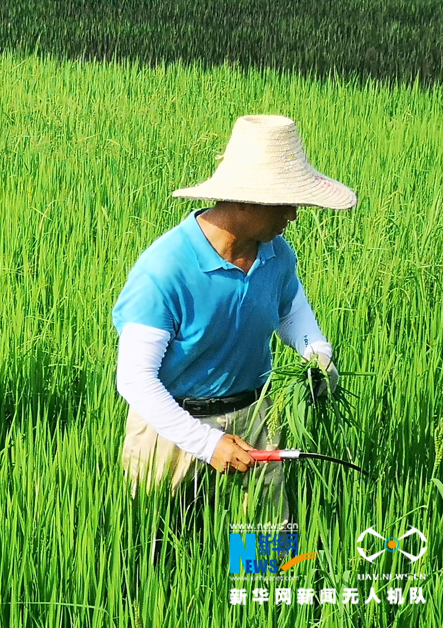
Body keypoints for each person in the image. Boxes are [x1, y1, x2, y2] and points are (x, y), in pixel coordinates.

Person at [112, 115, 355, 516]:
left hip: (254, 417)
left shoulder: (276, 253)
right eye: (285, 202)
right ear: (244, 198)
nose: (292, 215)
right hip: (170, 427)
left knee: (265, 548)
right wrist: (207, 444)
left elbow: (290, 310)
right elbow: (135, 379)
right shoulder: (165, 269)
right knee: (160, 555)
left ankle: (262, 580)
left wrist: (318, 353)